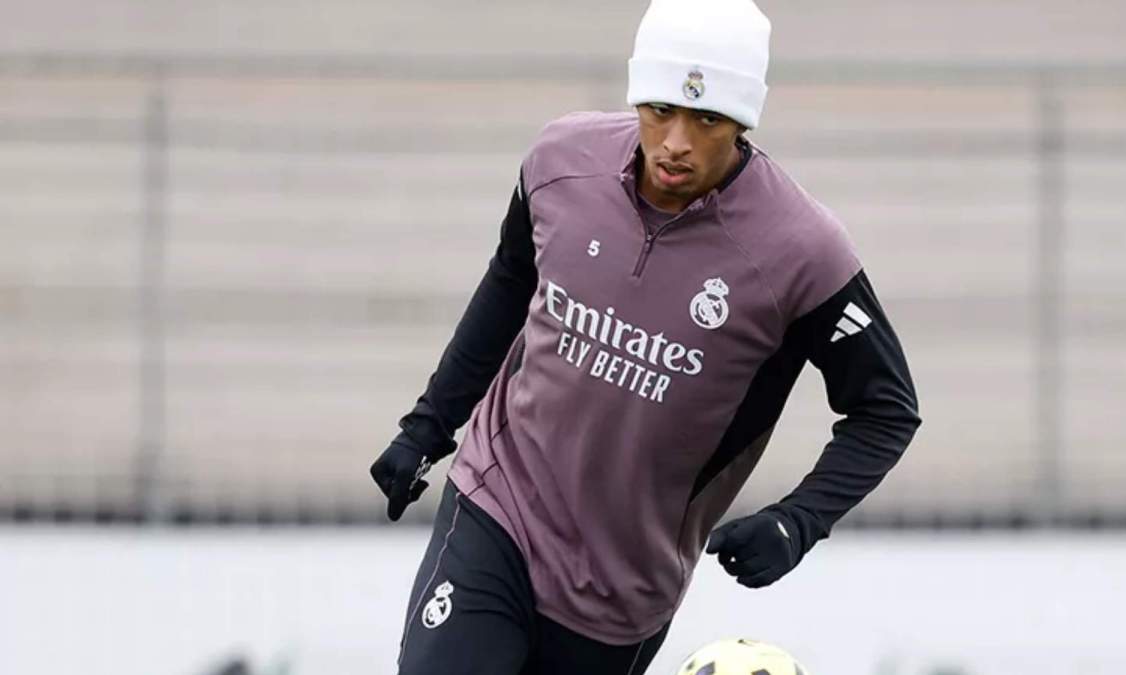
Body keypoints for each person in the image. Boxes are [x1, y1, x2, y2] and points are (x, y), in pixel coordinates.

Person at [370, 0, 921, 673]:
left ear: (745, 119)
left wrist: (797, 520)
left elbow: (885, 409)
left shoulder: (802, 252)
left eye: (707, 118)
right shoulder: (557, 162)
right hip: (498, 506)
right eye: (659, 110)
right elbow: (511, 281)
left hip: (622, 592)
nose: (675, 142)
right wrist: (428, 426)